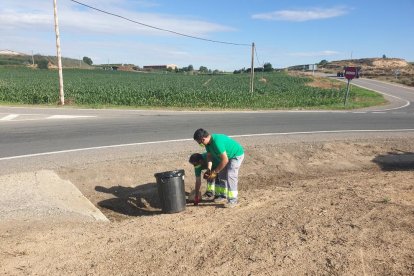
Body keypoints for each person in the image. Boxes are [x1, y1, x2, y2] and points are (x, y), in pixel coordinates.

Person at [193, 128, 244, 208]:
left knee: (231, 175)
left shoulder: (217, 142)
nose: (199, 144)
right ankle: (222, 196)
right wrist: (209, 169)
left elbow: (225, 160)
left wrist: (215, 172)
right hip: (227, 156)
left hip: (236, 155)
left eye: (199, 142)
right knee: (222, 175)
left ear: (203, 139)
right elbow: (209, 156)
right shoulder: (208, 144)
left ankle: (233, 200)